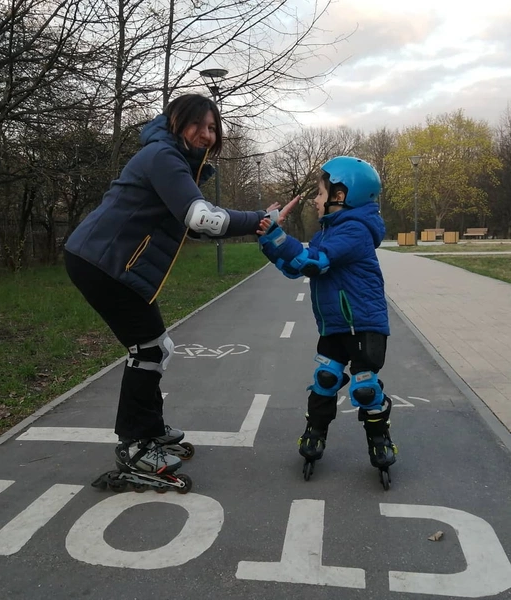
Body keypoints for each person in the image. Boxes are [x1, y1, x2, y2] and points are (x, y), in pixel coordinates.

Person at [64, 93, 280, 485]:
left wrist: (253, 221)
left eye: (213, 128)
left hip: (111, 262)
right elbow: (203, 218)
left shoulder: (172, 159)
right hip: (104, 262)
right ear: (177, 121)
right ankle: (135, 446)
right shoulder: (163, 157)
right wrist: (258, 220)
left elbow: (191, 226)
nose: (207, 134)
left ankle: (148, 430)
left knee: (154, 347)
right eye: (199, 124)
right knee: (148, 349)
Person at [257, 156, 397, 478]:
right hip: (335, 325)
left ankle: (380, 439)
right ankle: (315, 434)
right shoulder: (326, 232)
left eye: (320, 194)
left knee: (365, 388)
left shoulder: (354, 231)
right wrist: (268, 240)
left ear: (340, 195)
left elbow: (315, 262)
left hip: (364, 326)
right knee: (325, 380)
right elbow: (297, 268)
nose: (315, 201)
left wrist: (278, 236)